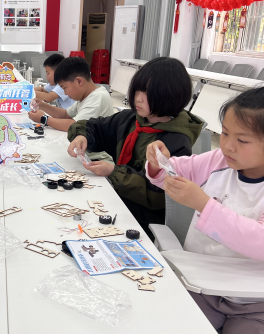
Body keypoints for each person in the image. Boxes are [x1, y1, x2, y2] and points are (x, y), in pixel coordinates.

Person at [146, 86, 264, 334]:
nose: (228, 145)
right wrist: (159, 162)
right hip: (202, 287)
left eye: (242, 140)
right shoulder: (218, 161)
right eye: (225, 133)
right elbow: (171, 173)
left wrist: (204, 204)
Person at [67, 57, 202, 233]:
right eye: (137, 90)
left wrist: (113, 172)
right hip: (116, 201)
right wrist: (82, 135)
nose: (138, 98)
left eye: (147, 94)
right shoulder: (130, 119)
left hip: (143, 221)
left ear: (169, 95)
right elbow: (95, 127)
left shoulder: (177, 141)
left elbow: (156, 192)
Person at [28, 56, 112, 132]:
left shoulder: (97, 97)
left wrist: (44, 119)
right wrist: (42, 105)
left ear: (79, 81)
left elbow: (74, 125)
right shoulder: (84, 96)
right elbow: (65, 114)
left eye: (64, 88)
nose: (65, 93)